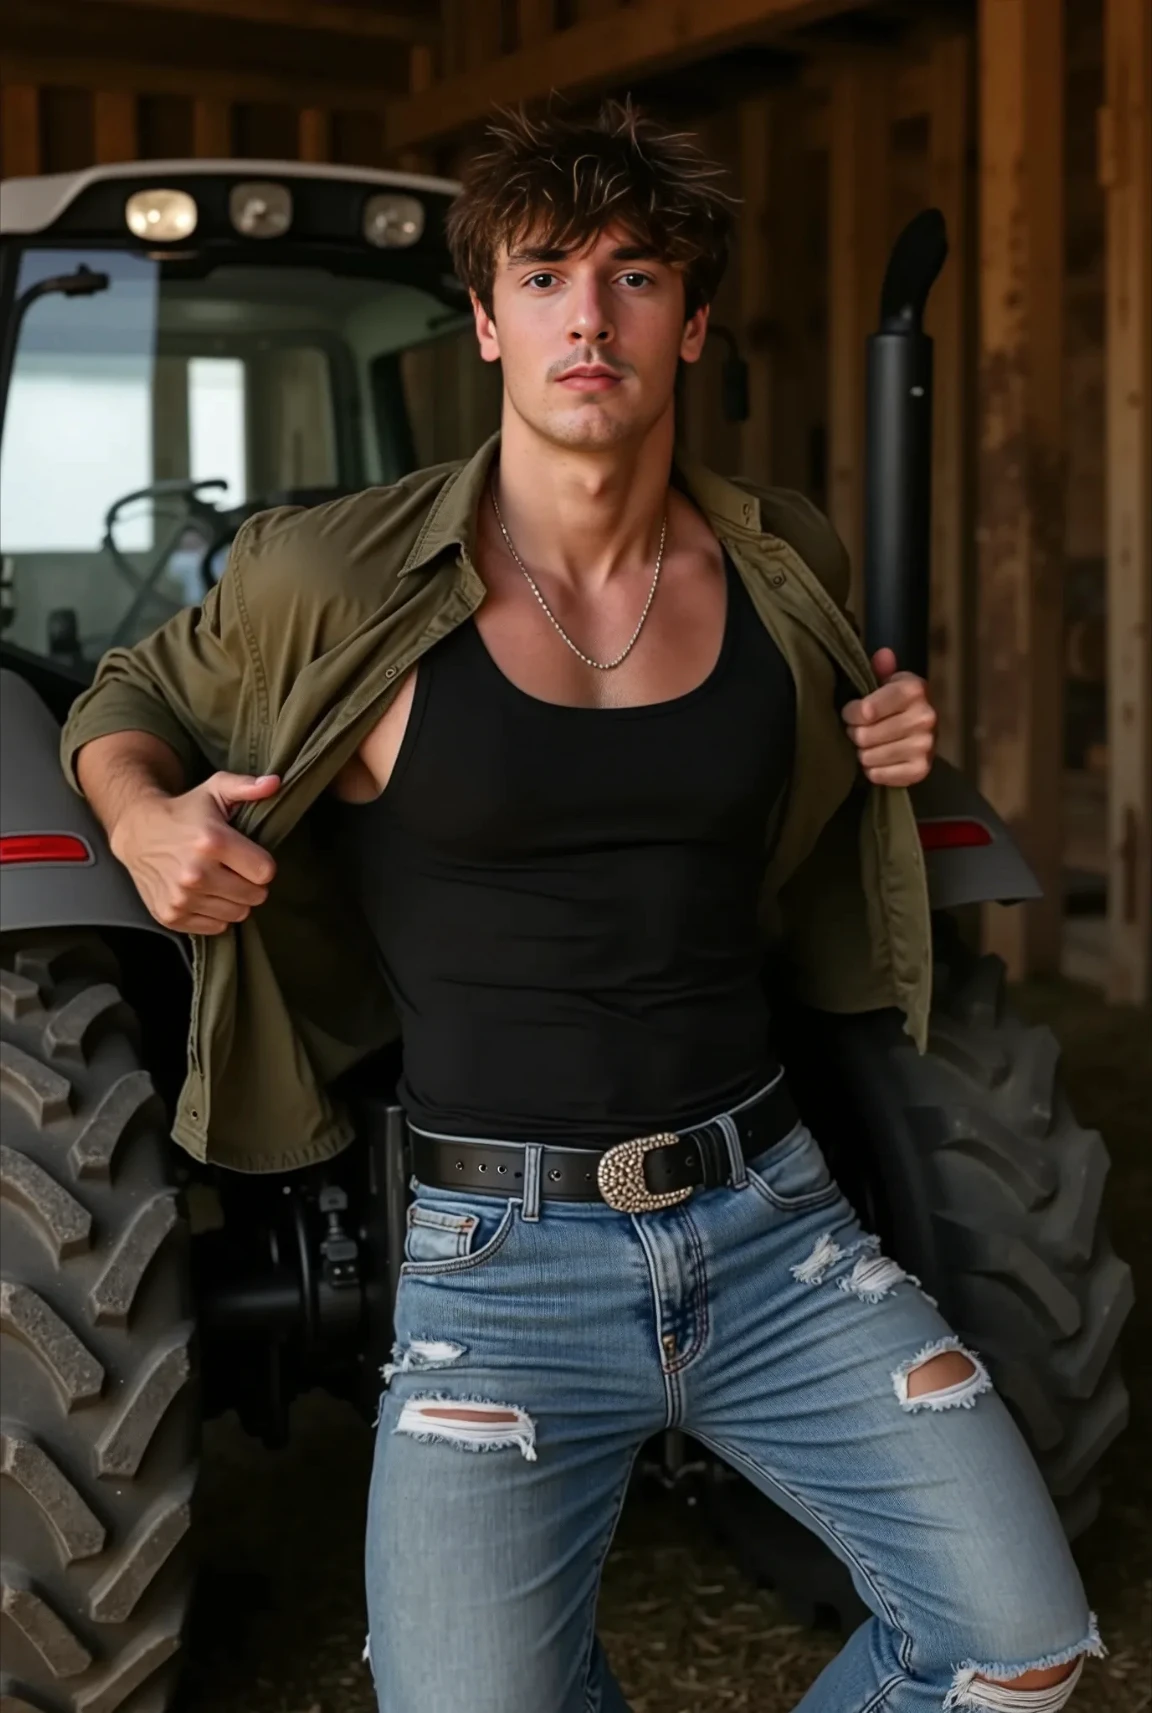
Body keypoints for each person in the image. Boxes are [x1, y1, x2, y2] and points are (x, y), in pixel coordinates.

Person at [62, 100, 1099, 1713]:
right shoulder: (332, 581)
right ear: (485, 323)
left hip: (778, 1233)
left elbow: (833, 740)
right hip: (497, 1267)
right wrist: (139, 821)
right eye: (545, 276)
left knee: (1019, 1656)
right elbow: (127, 694)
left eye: (635, 275)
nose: (588, 316)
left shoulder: (780, 563)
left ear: (694, 321)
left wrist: (887, 729)